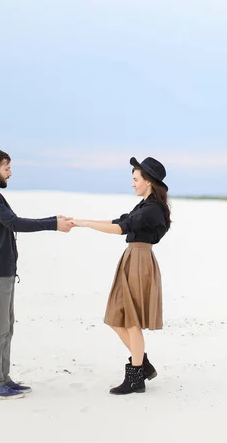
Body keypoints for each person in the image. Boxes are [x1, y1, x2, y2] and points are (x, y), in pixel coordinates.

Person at [0, 148, 73, 400]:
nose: (10, 173)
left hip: (3, 269)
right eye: (7, 168)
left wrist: (53, 218)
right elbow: (14, 223)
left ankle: (3, 378)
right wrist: (53, 225)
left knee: (6, 326)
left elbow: (10, 223)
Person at [71, 156, 171, 395]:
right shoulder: (144, 206)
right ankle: (142, 365)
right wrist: (83, 221)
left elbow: (120, 228)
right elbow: (120, 221)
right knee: (117, 317)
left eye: (136, 179)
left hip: (139, 261)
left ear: (149, 182)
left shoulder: (152, 209)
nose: (133, 184)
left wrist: (85, 224)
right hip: (133, 258)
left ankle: (136, 377)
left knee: (131, 320)